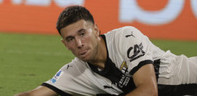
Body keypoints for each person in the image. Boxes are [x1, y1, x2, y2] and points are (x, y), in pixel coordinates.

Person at [15, 6, 197, 96]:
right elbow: (34, 94)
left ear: (95, 30)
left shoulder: (125, 38)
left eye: (82, 33)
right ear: (65, 44)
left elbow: (149, 90)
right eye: (70, 39)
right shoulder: (77, 72)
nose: (79, 43)